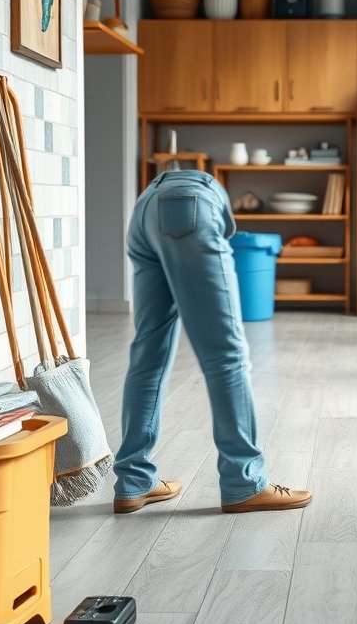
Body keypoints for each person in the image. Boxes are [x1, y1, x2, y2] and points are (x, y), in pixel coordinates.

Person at [113, 168, 312, 515]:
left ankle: (133, 480)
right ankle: (244, 482)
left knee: (148, 354)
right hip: (189, 202)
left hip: (144, 207)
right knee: (227, 354)